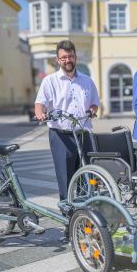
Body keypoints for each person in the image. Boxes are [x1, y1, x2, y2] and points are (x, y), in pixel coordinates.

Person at [34, 40, 100, 201]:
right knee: (66, 177)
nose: (67, 60)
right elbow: (40, 103)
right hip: (61, 135)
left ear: (75, 57)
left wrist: (92, 110)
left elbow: (94, 103)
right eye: (63, 57)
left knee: (88, 174)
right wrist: (40, 113)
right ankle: (68, 215)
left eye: (70, 56)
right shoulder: (50, 81)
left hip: (83, 133)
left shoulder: (87, 81)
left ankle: (86, 211)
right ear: (58, 60)